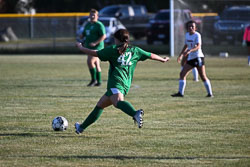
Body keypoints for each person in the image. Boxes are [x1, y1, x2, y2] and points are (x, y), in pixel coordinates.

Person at [75, 29, 170, 134]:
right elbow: (150, 55)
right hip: (126, 84)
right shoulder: (135, 50)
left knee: (118, 102)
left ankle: (135, 113)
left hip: (115, 82)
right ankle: (81, 128)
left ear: (116, 39)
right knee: (100, 104)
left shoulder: (113, 49)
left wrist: (81, 47)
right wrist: (162, 59)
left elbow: (96, 53)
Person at [171, 20, 213, 97]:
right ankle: (180, 93)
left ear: (195, 28)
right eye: (189, 26)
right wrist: (180, 55)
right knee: (182, 73)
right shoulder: (187, 35)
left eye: (192, 26)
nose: (190, 28)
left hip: (198, 57)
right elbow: (186, 45)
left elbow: (198, 46)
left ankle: (210, 94)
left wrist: (190, 51)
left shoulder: (197, 35)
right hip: (191, 58)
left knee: (203, 76)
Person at [81, 9, 106, 86]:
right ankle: (99, 81)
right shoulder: (87, 25)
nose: (92, 16)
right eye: (91, 15)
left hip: (97, 47)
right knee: (96, 64)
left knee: (90, 62)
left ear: (97, 16)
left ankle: (93, 80)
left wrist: (95, 43)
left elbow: (103, 36)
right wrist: (81, 37)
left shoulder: (99, 25)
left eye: (94, 15)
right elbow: (84, 34)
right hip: (89, 47)